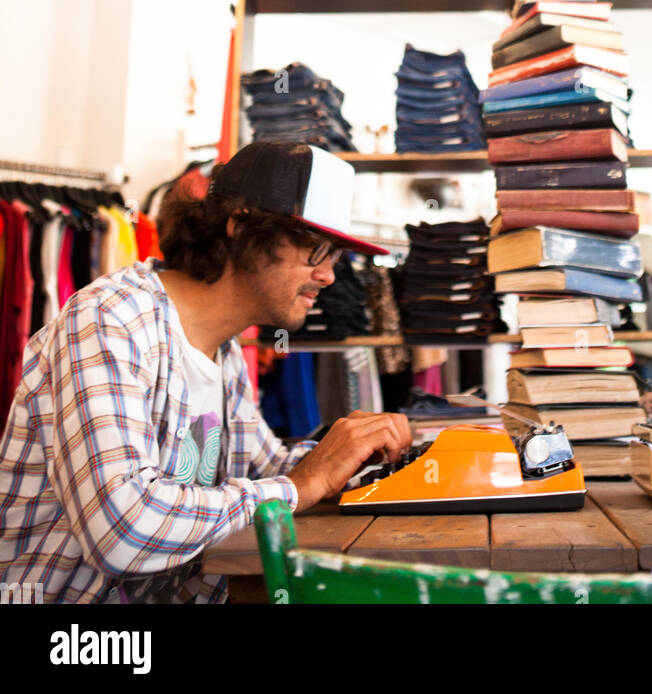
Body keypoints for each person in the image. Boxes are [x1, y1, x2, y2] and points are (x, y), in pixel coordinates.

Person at [0, 142, 412, 602]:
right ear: (241, 228)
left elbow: (267, 469)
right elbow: (121, 531)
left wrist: (354, 459)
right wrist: (301, 484)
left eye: (334, 255)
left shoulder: (223, 348)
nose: (329, 276)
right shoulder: (109, 322)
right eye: (314, 248)